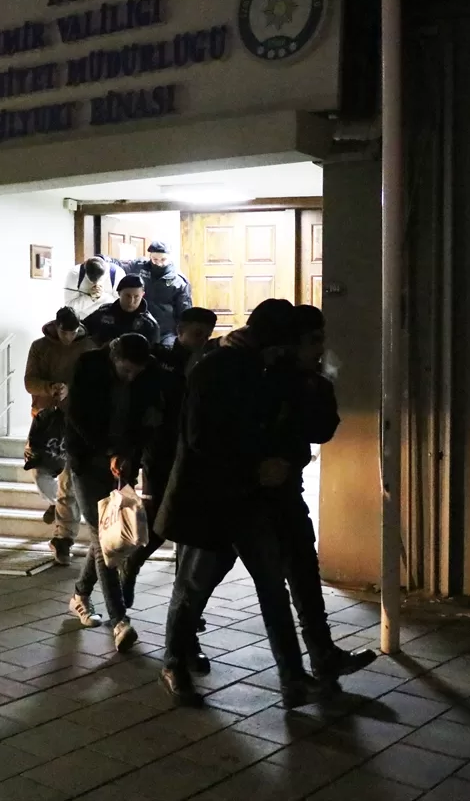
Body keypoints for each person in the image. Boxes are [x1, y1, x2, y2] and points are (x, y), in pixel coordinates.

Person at [155, 299, 321, 708]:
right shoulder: (216, 368)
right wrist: (256, 466)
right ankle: (174, 662)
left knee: (271, 586)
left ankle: (292, 677)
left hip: (251, 500)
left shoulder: (268, 368)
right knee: (193, 585)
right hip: (211, 499)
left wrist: (281, 462)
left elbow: (287, 427)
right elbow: (201, 438)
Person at [64, 334, 174, 651]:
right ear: (113, 358)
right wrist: (109, 450)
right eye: (125, 371)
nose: (130, 377)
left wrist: (128, 453)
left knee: (107, 530)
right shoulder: (88, 365)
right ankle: (119, 620)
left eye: (136, 372)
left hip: (123, 460)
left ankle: (80, 595)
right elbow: (78, 415)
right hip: (88, 458)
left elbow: (147, 418)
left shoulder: (149, 373)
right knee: (103, 536)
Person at [117, 307, 220, 617]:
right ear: (180, 331)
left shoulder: (209, 362)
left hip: (195, 454)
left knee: (189, 530)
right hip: (160, 454)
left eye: (207, 335)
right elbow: (140, 405)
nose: (202, 340)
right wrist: (130, 454)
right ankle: (131, 565)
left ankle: (185, 608)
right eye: (197, 334)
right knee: (160, 523)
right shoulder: (160, 359)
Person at [22, 306, 95, 565]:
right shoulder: (40, 347)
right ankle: (55, 505)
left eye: (73, 332)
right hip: (45, 420)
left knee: (68, 481)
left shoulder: (88, 347)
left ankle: (63, 538)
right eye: (65, 332)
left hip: (76, 421)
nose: (68, 337)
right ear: (57, 327)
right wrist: (49, 387)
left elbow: (93, 382)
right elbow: (29, 380)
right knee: (38, 470)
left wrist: (70, 391)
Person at [113, 241, 192, 348]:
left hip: (165, 332)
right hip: (138, 327)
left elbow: (185, 312)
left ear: (169, 258)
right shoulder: (139, 266)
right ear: (150, 256)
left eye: (163, 260)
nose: (159, 263)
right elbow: (119, 264)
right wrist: (101, 259)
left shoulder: (179, 281)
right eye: (155, 259)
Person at [83, 275, 161, 347]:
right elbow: (83, 328)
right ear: (119, 293)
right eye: (128, 296)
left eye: (136, 297)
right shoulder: (104, 313)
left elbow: (152, 353)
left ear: (142, 295)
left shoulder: (149, 325)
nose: (131, 301)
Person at [63, 257, 122, 322]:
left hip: (108, 320)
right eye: (91, 281)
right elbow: (69, 307)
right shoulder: (74, 274)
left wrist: (101, 296)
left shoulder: (117, 274)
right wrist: (90, 297)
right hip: (83, 320)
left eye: (99, 280)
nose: (95, 283)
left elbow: (121, 305)